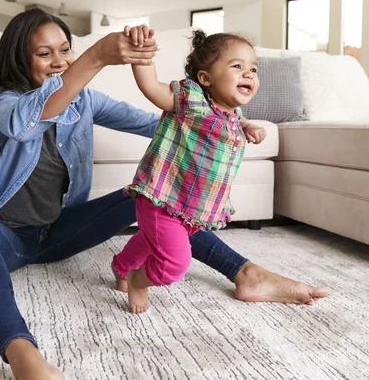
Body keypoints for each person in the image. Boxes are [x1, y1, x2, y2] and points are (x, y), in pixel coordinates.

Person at [0, 8, 327, 379]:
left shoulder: (84, 100)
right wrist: (96, 57)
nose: (60, 61)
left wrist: (224, 123)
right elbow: (27, 122)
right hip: (5, 239)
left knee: (148, 194)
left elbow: (155, 122)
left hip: (58, 232)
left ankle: (247, 274)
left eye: (66, 50)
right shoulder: (2, 103)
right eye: (44, 53)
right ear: (20, 60)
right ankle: (23, 355)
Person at [112, 28, 267, 314]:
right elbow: (152, 87)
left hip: (193, 207)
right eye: (237, 66)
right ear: (206, 79)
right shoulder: (192, 100)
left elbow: (238, 121)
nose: (248, 74)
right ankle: (137, 278)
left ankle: (122, 265)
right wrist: (141, 54)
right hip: (164, 198)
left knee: (150, 240)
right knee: (174, 264)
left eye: (253, 69)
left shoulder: (233, 114)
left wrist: (249, 126)